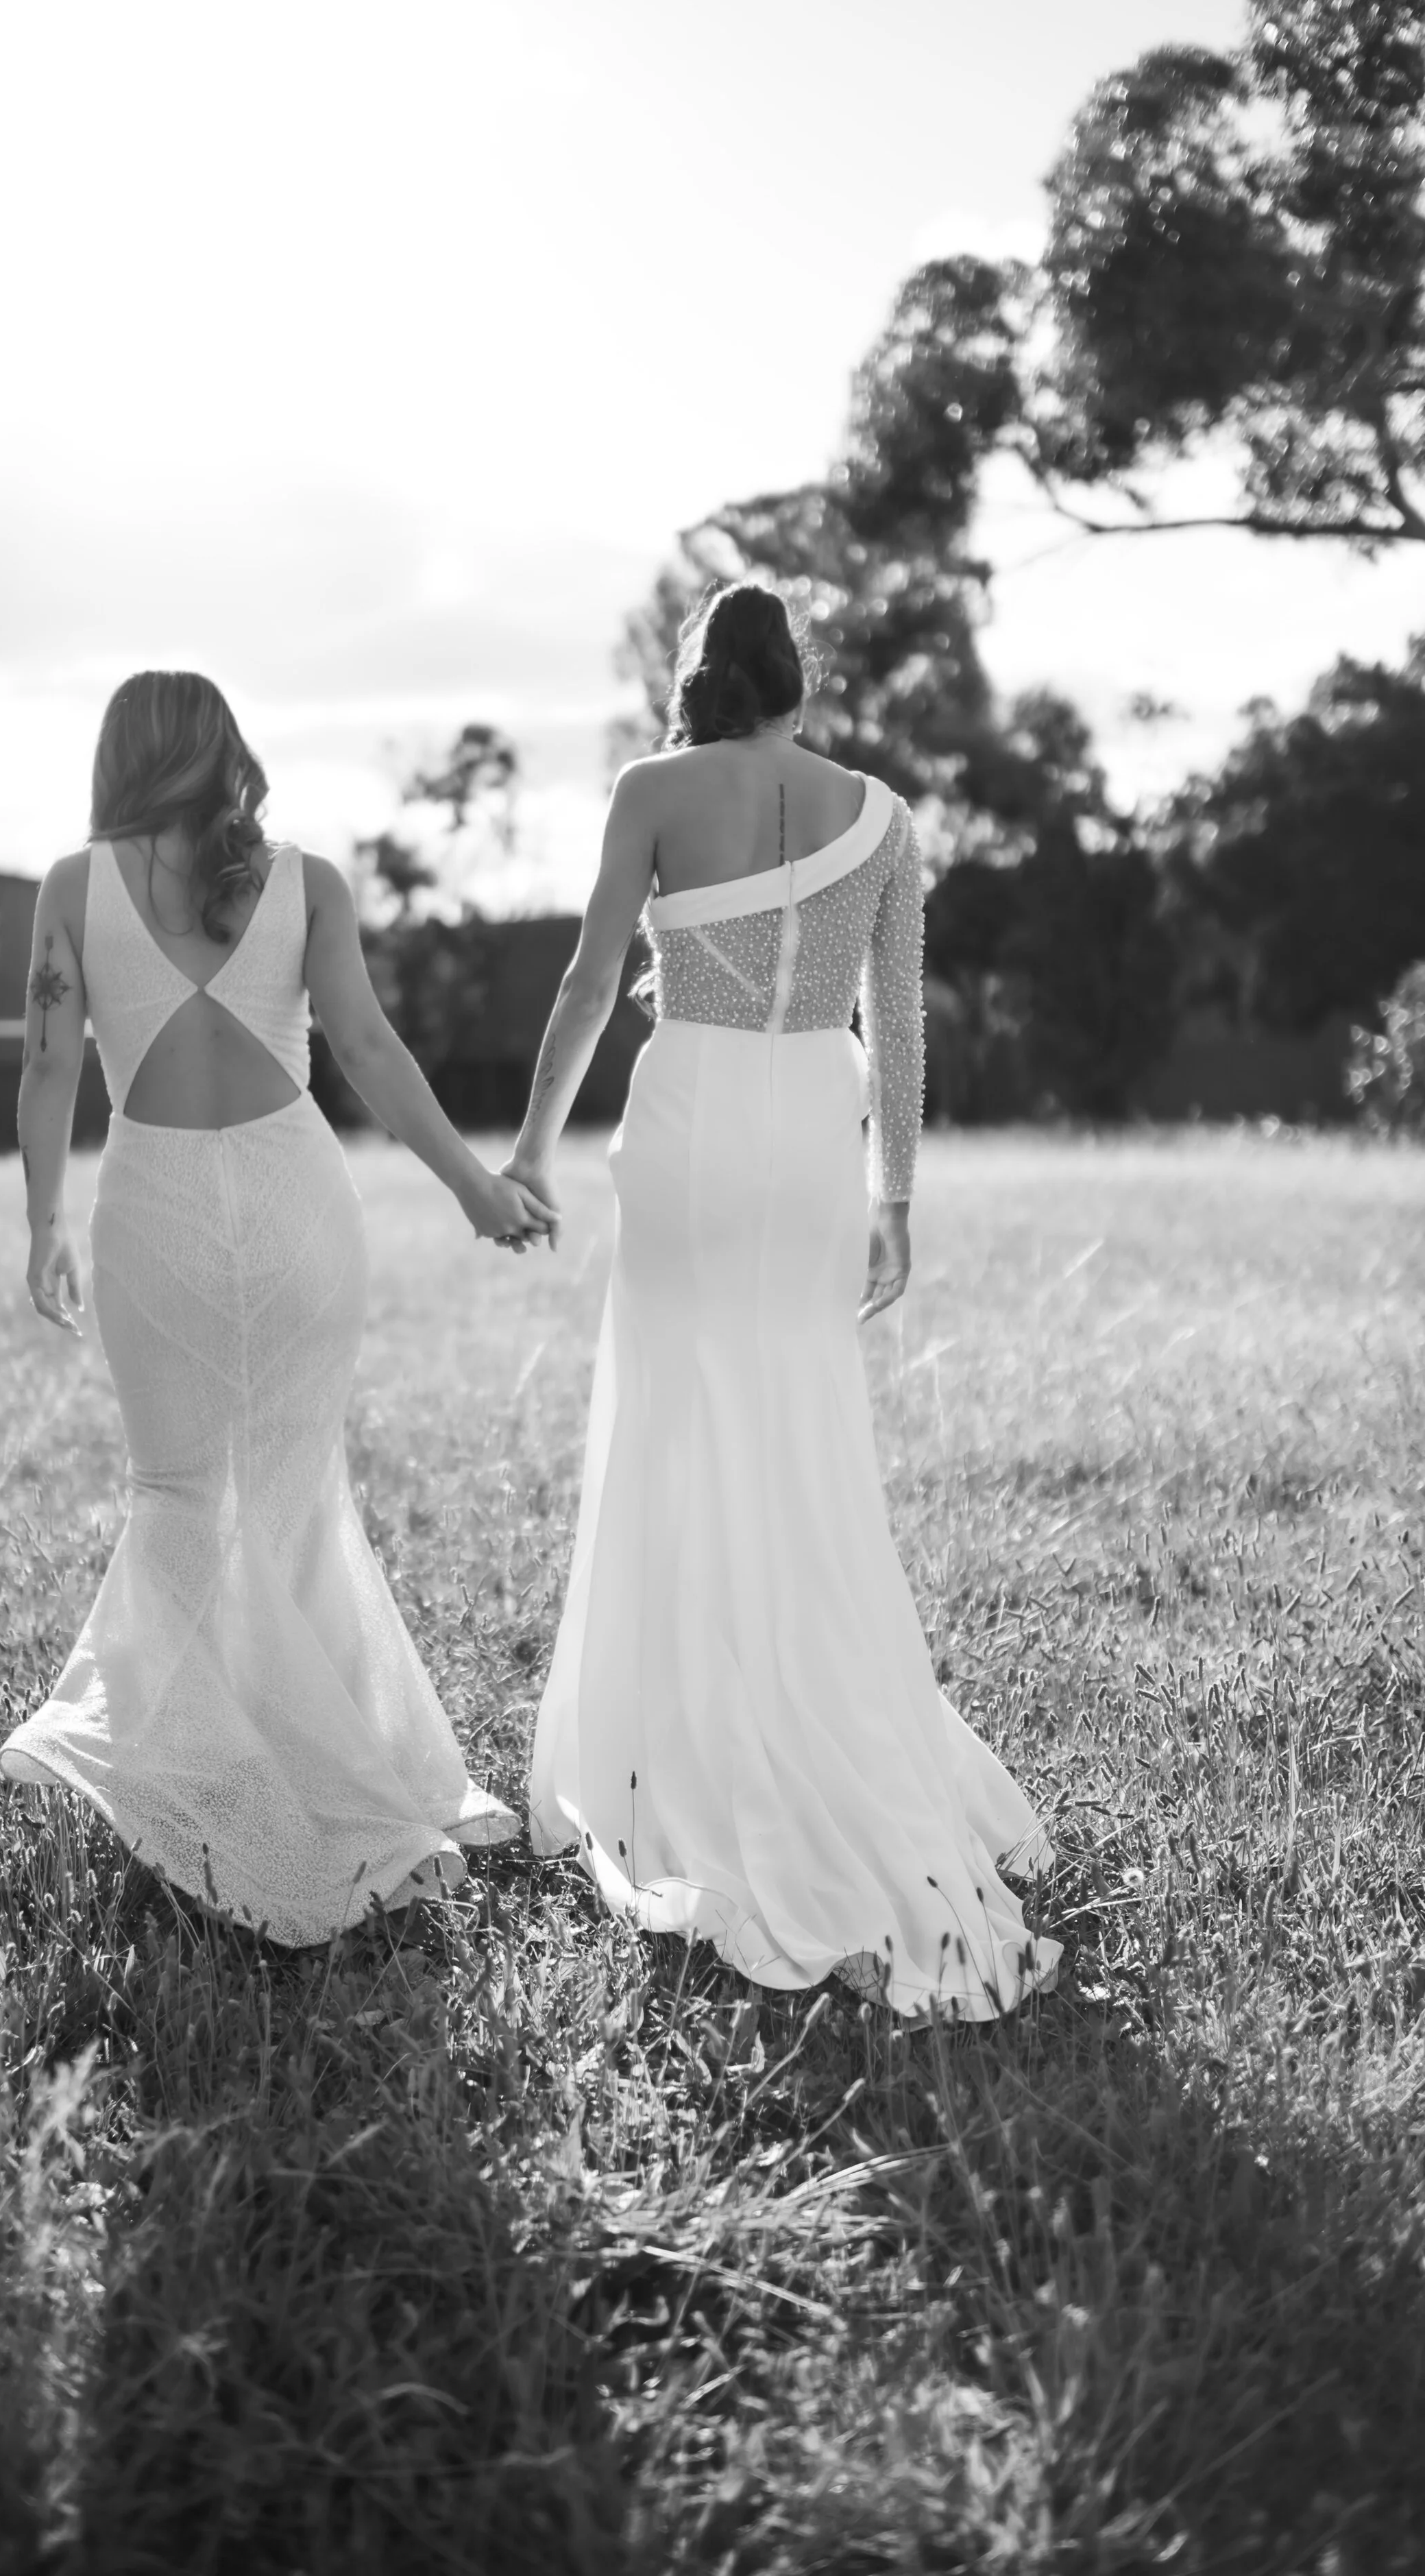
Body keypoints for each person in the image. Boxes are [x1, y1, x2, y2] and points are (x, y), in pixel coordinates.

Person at [507, 584, 1058, 2019]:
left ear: (699, 683)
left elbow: (586, 983)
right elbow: (899, 1019)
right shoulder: (880, 815)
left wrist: (529, 1148)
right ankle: (806, 1713)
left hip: (693, 1116)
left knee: (676, 1420)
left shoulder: (652, 789)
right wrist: (895, 1199)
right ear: (795, 681)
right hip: (816, 1127)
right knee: (800, 1423)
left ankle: (677, 1745)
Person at [0, 671, 551, 1940]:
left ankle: (204, 1779)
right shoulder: (306, 882)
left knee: (178, 1495)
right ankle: (323, 1764)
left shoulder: (72, 887)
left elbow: (45, 1067)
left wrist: (39, 1224)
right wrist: (473, 1186)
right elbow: (368, 1049)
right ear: (223, 752)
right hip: (302, 1212)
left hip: (153, 1218)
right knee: (298, 1496)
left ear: (120, 759)